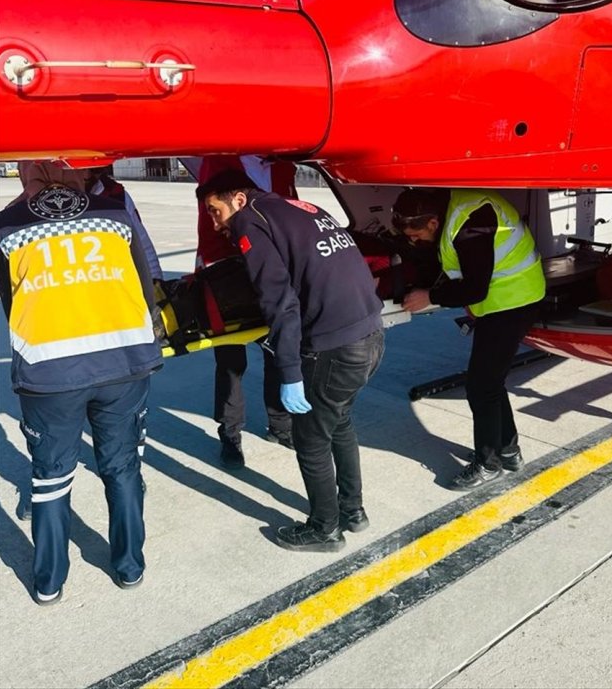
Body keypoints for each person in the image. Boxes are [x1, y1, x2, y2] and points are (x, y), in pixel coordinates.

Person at [0, 161, 163, 604]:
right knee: (123, 467)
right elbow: (146, 289)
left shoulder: (6, 227)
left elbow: (12, 305)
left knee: (51, 477)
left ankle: (50, 580)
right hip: (124, 362)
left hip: (51, 373)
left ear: (26, 175)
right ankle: (129, 566)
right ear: (78, 174)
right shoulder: (115, 215)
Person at [196, 169, 384, 553]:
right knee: (339, 422)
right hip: (371, 335)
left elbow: (278, 301)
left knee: (310, 440)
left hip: (334, 348)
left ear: (237, 198)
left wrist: (290, 370)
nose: (215, 225)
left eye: (215, 212)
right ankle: (352, 510)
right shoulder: (303, 207)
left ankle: (324, 529)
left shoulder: (250, 219)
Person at [391, 187, 545, 490]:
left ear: (432, 223)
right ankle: (509, 451)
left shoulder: (471, 225)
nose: (414, 240)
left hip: (513, 301)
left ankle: (489, 465)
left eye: (416, 234)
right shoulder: (455, 210)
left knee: (480, 386)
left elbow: (475, 289)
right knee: (490, 381)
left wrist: (430, 296)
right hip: (505, 301)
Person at [194, 156, 296, 468]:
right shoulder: (218, 160)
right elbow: (211, 221)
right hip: (226, 270)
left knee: (278, 350)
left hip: (269, 267)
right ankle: (230, 435)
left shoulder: (282, 163)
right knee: (230, 362)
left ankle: (280, 424)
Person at [85, 165, 163, 282]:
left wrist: (155, 282)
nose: (85, 174)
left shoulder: (116, 196)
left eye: (93, 169)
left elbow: (142, 247)